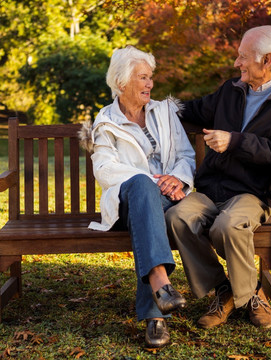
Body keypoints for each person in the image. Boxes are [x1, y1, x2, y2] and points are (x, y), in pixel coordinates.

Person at [165, 25, 271, 330]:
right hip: (211, 188)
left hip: (252, 193)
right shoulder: (231, 90)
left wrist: (235, 142)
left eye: (242, 57)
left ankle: (251, 296)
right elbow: (194, 109)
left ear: (267, 60)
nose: (237, 63)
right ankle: (227, 290)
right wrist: (153, 106)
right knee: (176, 217)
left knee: (228, 226)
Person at [79, 45, 196, 348]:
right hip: (128, 203)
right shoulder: (106, 121)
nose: (150, 84)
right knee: (143, 187)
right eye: (143, 78)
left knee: (150, 202)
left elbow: (185, 156)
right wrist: (151, 179)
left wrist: (177, 178)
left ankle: (158, 299)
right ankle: (157, 305)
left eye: (150, 78)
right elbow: (104, 169)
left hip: (171, 197)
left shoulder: (165, 111)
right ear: (122, 83)